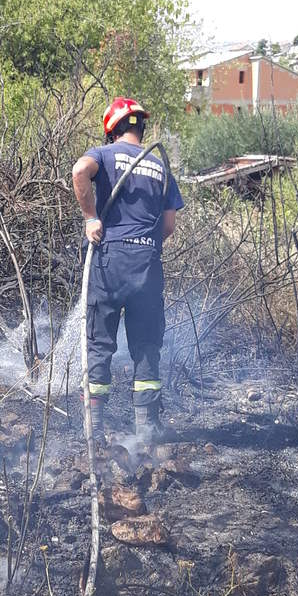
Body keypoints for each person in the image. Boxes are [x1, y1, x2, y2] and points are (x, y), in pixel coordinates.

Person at [71, 97, 184, 441]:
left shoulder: (104, 154)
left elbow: (79, 171)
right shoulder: (161, 168)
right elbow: (169, 226)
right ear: (141, 128)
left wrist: (91, 218)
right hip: (147, 264)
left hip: (109, 261)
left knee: (99, 344)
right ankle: (146, 432)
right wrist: (142, 245)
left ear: (112, 129)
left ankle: (95, 430)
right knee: (147, 345)